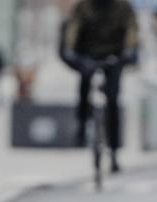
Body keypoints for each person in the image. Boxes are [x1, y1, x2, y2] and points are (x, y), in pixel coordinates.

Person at [59, 0, 138, 174]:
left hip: (114, 57)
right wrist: (71, 50)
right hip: (89, 55)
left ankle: (114, 151)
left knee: (113, 100)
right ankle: (81, 125)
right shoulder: (84, 7)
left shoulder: (123, 7)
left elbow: (131, 29)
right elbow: (74, 27)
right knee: (84, 85)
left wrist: (129, 51)